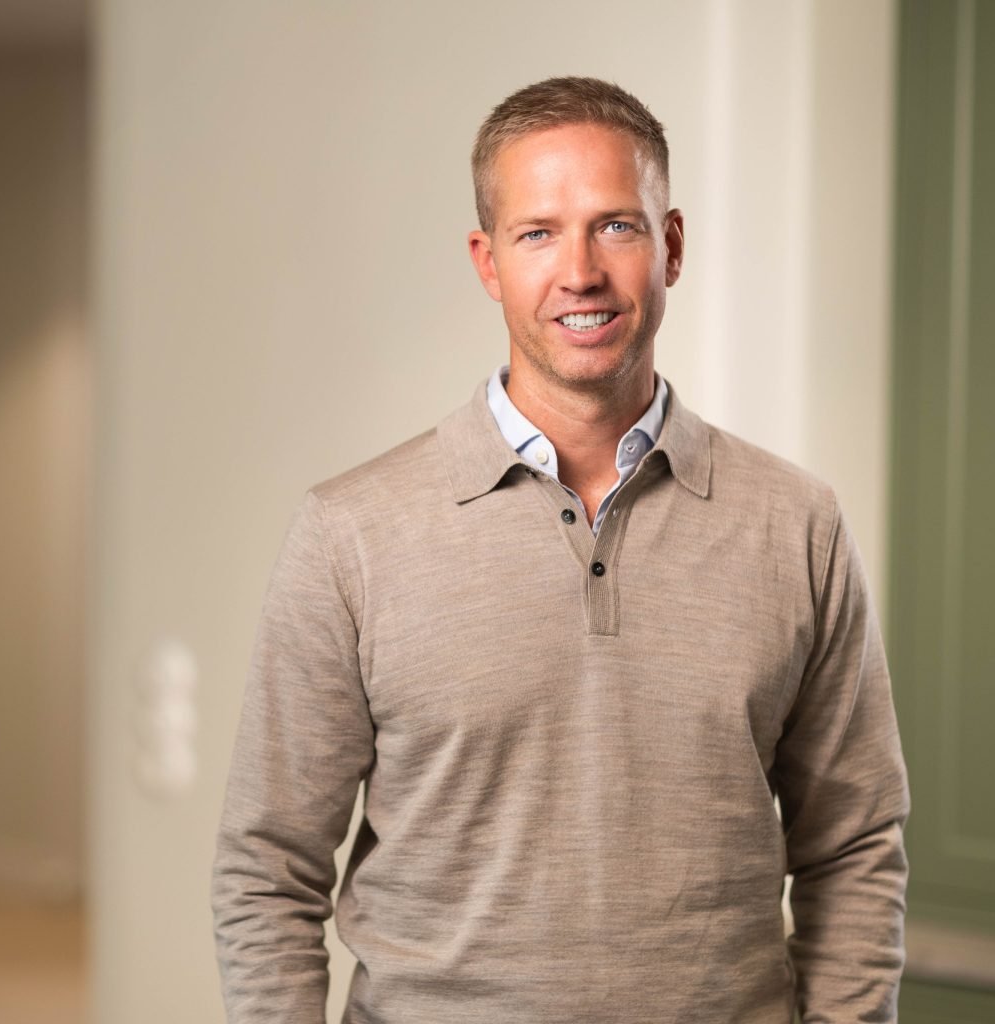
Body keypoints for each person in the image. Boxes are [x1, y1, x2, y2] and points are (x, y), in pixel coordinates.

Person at [211, 76, 909, 1023]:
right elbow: (268, 871)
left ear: (671, 247)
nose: (578, 271)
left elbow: (854, 846)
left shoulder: (799, 524)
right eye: (537, 232)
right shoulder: (349, 534)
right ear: (487, 261)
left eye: (615, 227)